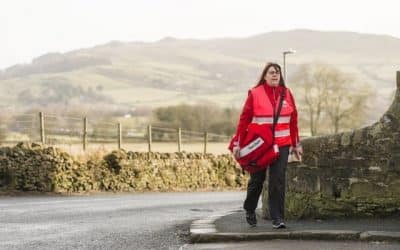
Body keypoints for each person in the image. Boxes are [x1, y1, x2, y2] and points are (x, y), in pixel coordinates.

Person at [233, 62, 302, 229]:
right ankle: (250, 209)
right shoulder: (255, 94)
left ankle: (278, 218)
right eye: (271, 72)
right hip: (261, 146)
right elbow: (244, 120)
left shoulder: (287, 93)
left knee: (277, 181)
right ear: (265, 76)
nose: (275, 75)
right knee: (257, 180)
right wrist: (238, 143)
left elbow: (293, 121)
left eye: (277, 72)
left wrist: (296, 143)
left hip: (282, 145)